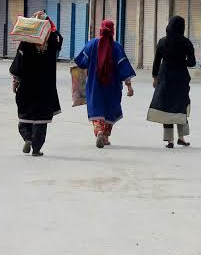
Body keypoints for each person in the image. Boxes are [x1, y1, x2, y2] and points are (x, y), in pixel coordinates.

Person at [74, 19, 136, 148]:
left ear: (101, 29)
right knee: (110, 109)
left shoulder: (92, 44)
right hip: (112, 87)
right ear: (113, 31)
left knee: (97, 109)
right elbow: (123, 68)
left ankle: (99, 132)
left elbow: (80, 62)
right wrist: (129, 86)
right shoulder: (117, 47)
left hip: (94, 85)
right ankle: (106, 137)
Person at [10, 12, 63, 157]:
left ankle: (27, 137)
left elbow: (18, 65)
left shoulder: (25, 43)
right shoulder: (52, 41)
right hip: (46, 87)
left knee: (25, 115)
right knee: (41, 119)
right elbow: (59, 37)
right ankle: (36, 149)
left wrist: (15, 81)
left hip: (27, 86)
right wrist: (48, 19)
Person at [147, 15, 196, 148]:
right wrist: (182, 61)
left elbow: (156, 61)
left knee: (166, 106)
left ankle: (170, 140)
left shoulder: (162, 41)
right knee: (181, 104)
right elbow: (192, 62)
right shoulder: (186, 43)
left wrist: (155, 77)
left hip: (165, 76)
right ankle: (181, 137)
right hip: (180, 77)